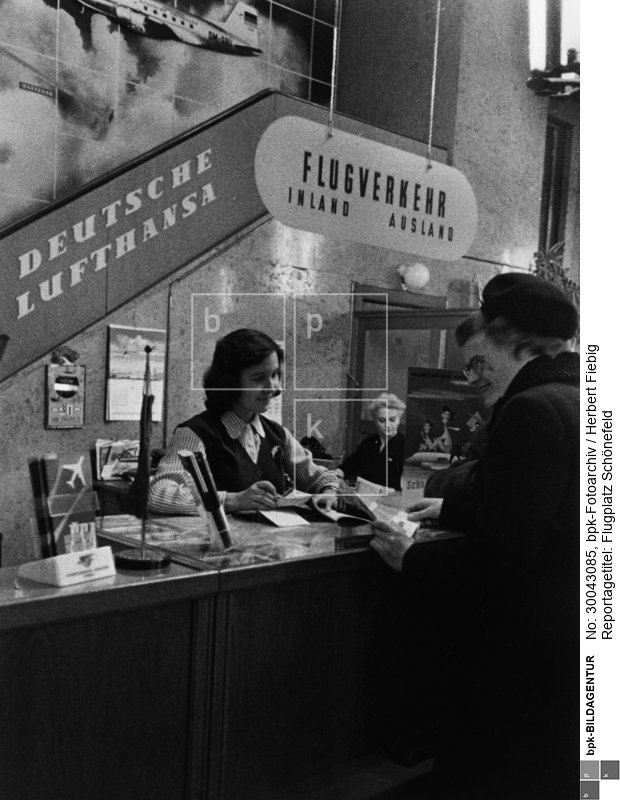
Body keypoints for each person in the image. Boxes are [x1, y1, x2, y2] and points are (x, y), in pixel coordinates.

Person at [370, 273, 579, 799]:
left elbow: (502, 559)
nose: (473, 375)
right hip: (579, 649)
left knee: (494, 777)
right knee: (587, 781)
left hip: (525, 661)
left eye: (478, 358)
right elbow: (557, 512)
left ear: (510, 336)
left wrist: (409, 558)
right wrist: (458, 502)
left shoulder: (531, 410)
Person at [148, 328, 340, 515]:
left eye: (275, 375)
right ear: (229, 382)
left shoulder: (278, 435)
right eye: (258, 378)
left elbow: (323, 477)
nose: (272, 387)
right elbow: (157, 493)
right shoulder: (196, 433)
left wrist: (329, 492)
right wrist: (233, 500)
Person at [336, 392, 405, 491]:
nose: (387, 425)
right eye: (382, 420)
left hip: (391, 501)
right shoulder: (368, 443)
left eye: (392, 420)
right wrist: (337, 474)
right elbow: (349, 466)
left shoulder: (405, 446)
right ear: (375, 420)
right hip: (364, 497)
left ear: (399, 420)